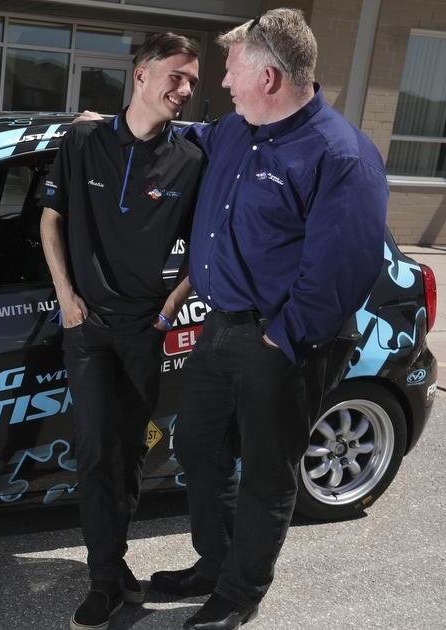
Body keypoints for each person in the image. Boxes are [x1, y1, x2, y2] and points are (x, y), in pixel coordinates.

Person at [146, 9, 388, 630]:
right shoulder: (236, 130)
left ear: (270, 77)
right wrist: (125, 124)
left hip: (286, 339)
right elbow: (193, 138)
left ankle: (241, 591)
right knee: (198, 447)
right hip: (222, 325)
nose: (223, 83)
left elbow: (340, 272)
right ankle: (216, 563)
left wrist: (278, 339)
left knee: (264, 469)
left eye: (231, 70)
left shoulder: (341, 156)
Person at [38, 32, 203, 630]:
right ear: (141, 74)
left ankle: (114, 561)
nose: (185, 90)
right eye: (176, 77)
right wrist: (66, 297)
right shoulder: (83, 139)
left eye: (193, 81)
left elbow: (202, 254)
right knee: (93, 450)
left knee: (131, 453)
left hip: (145, 331)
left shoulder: (191, 158)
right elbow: (51, 219)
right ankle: (104, 579)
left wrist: (168, 311)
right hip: (87, 327)